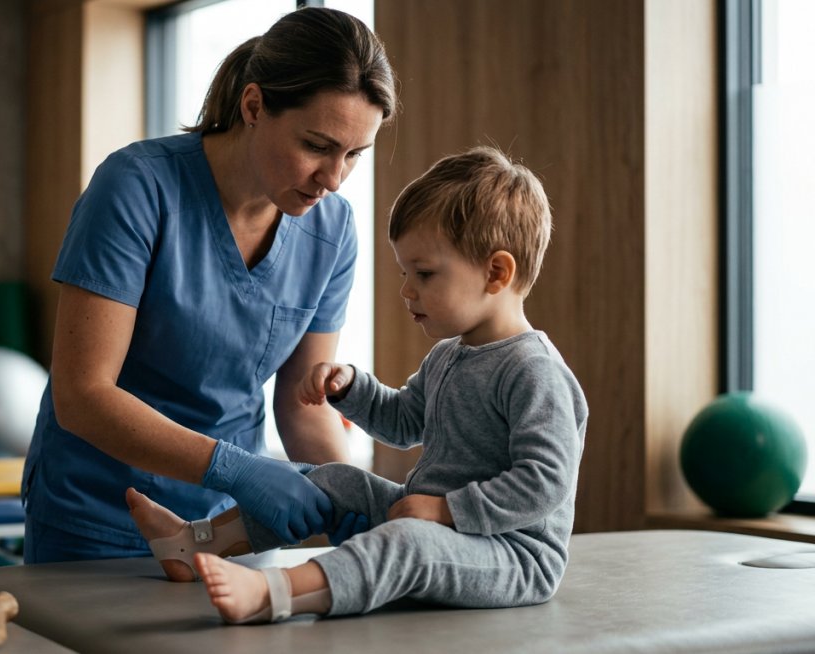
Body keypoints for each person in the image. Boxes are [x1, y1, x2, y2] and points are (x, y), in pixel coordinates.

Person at [126, 145, 589, 624]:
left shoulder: (534, 371)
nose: (407, 290)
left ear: (496, 272)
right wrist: (352, 388)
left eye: (424, 274)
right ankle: (194, 544)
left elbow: (545, 482)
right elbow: (404, 422)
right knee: (335, 479)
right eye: (405, 273)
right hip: (436, 521)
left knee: (409, 542)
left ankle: (273, 593)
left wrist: (445, 511)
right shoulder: (450, 355)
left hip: (511, 553)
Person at [20, 7, 398, 564]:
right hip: (98, 517)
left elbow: (302, 406)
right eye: (317, 146)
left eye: (354, 155)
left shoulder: (332, 228)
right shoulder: (137, 188)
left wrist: (351, 496)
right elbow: (82, 396)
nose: (334, 179)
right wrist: (237, 469)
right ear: (254, 106)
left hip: (229, 527)